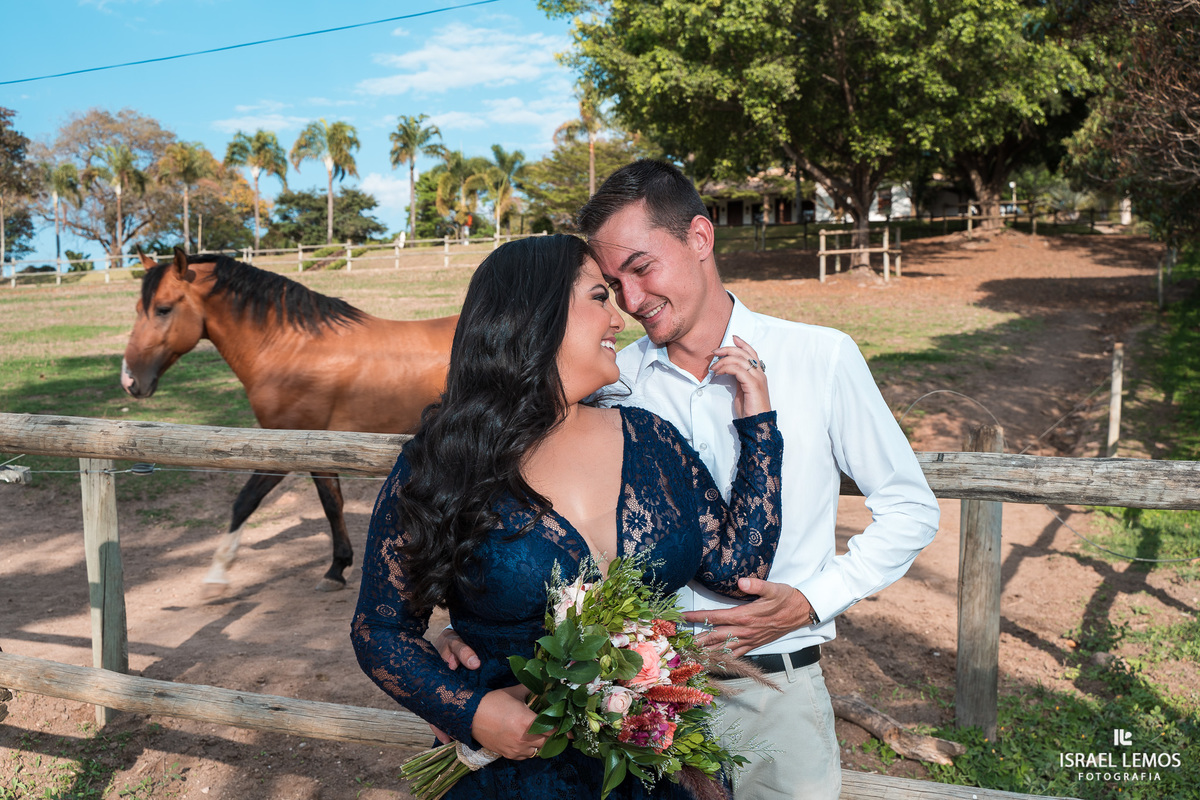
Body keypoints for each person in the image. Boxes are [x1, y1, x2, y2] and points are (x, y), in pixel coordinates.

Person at [438, 162, 941, 800]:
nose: (631, 300)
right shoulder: (609, 380)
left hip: (775, 685)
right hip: (626, 704)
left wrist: (812, 600)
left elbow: (910, 509)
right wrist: (479, 627)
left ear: (700, 237)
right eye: (612, 284)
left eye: (641, 268)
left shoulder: (820, 357)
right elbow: (527, 506)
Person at [352, 233, 786, 799]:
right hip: (515, 772)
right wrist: (471, 713)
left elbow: (737, 569)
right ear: (536, 314)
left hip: (652, 765)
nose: (620, 319)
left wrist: (759, 427)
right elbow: (382, 629)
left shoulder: (652, 440)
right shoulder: (444, 462)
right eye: (599, 297)